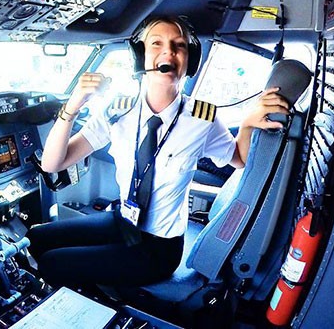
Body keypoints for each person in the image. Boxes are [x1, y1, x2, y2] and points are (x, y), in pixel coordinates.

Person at [26, 16, 290, 288]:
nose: (169, 52)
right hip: (123, 222)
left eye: (179, 45)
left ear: (191, 60)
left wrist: (247, 125)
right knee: (36, 239)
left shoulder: (203, 119)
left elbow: (239, 159)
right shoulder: (117, 111)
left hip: (159, 248)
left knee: (53, 263)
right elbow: (52, 164)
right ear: (140, 56)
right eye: (156, 43)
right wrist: (73, 106)